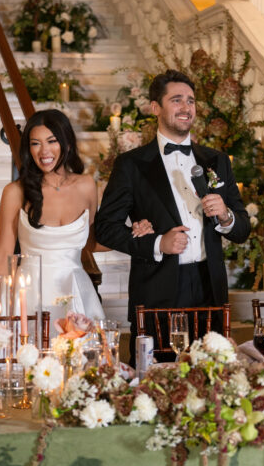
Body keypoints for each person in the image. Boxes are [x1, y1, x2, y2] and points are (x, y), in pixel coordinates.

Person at [94, 69, 250, 363]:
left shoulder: (216, 160)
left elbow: (242, 229)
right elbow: (105, 228)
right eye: (176, 100)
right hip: (158, 289)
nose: (186, 107)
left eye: (190, 101)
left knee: (212, 379)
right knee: (157, 383)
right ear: (156, 107)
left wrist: (226, 216)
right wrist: (156, 244)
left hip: (209, 289)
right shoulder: (131, 165)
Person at [0, 110, 151, 338]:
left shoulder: (86, 185)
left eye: (52, 141)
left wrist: (132, 233)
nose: (44, 151)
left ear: (65, 143)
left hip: (75, 290)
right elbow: (3, 252)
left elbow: (93, 242)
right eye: (35, 143)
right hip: (30, 294)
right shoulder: (15, 192)